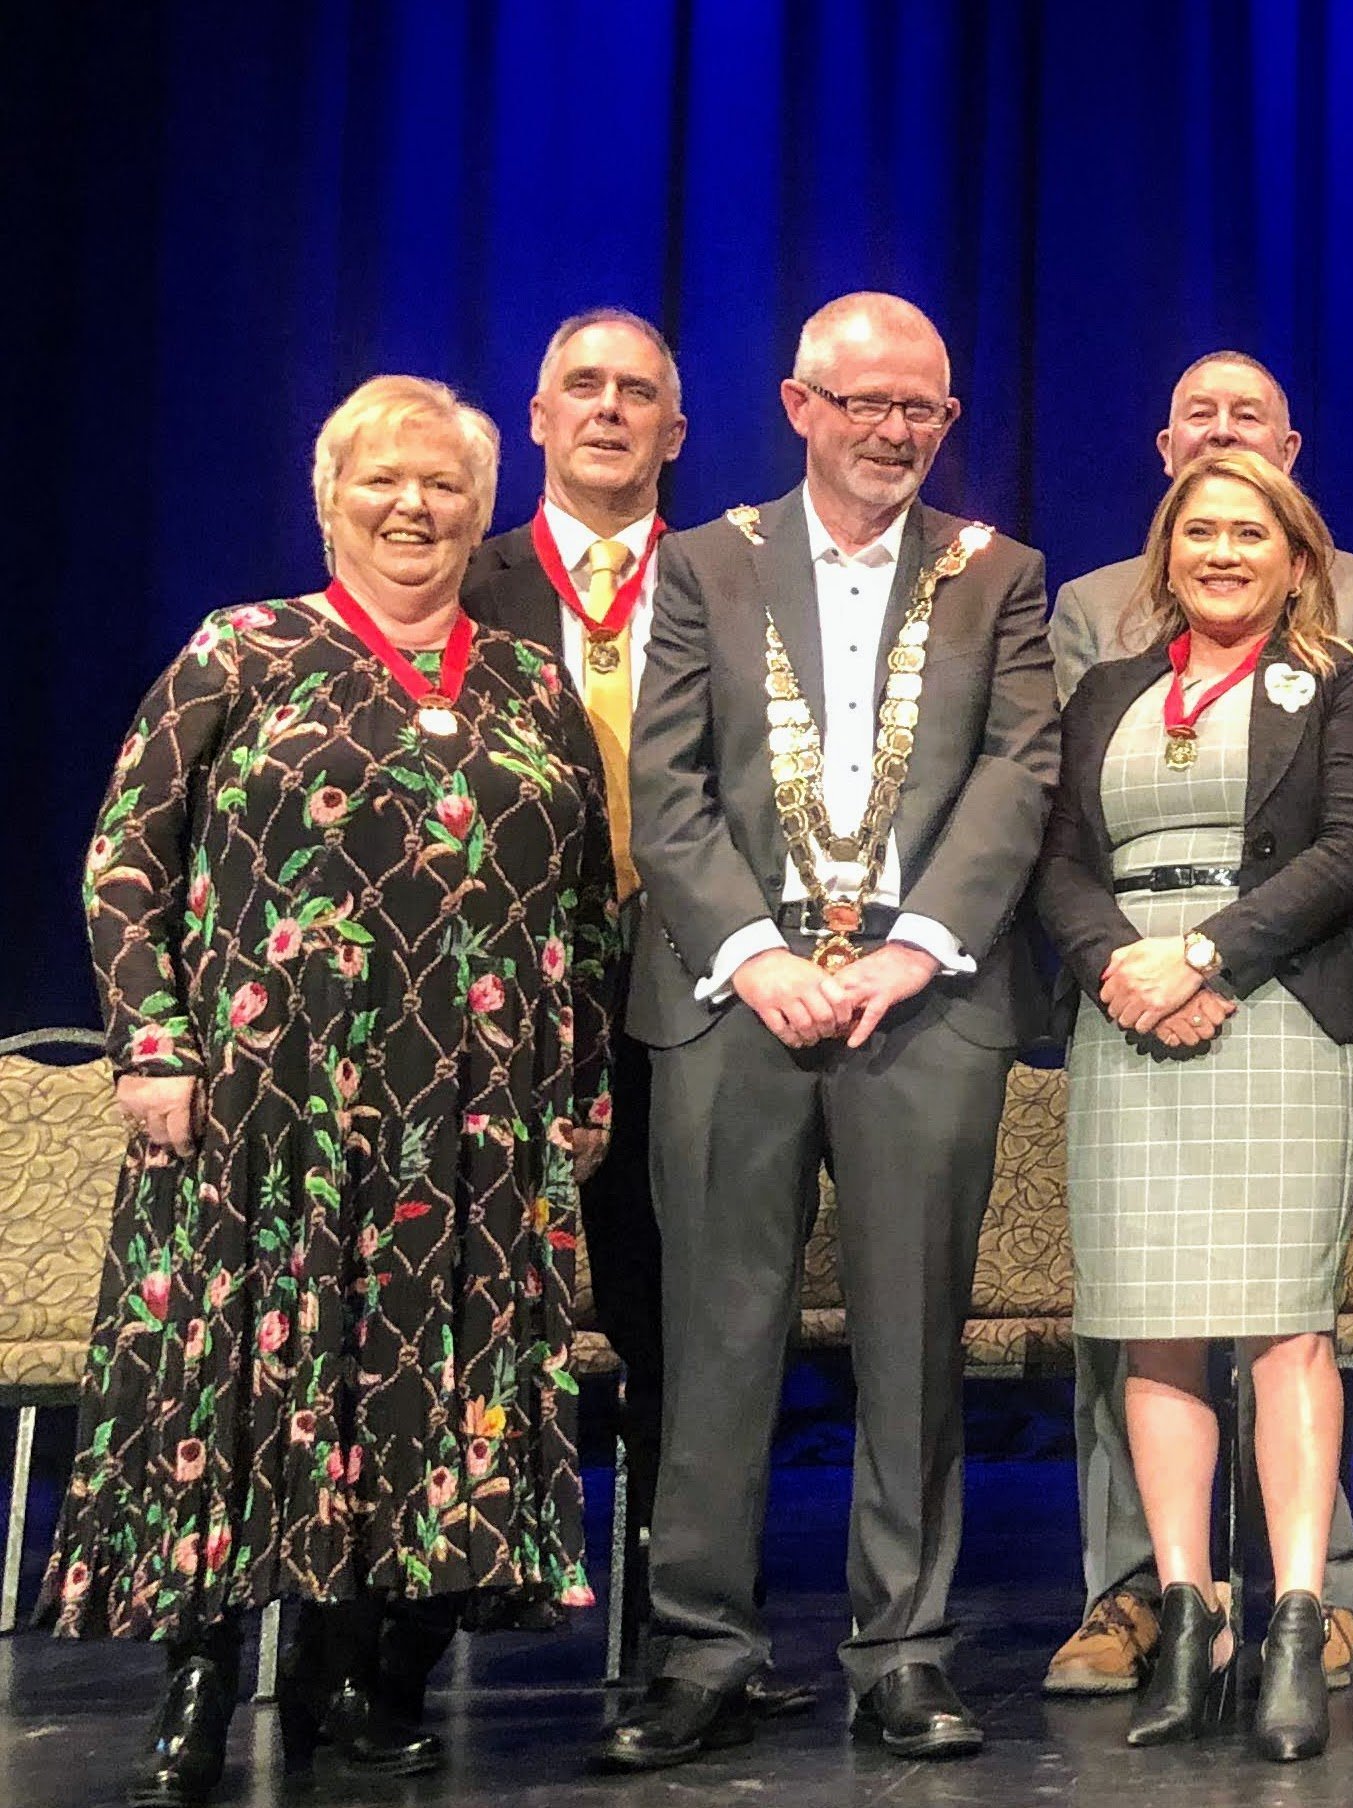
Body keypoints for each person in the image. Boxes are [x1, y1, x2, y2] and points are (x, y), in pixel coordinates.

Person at [64, 375, 614, 1806]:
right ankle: (199, 1683)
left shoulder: (531, 684)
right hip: (264, 1109)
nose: (414, 507)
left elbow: (586, 909)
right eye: (383, 481)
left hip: (473, 1124)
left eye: (442, 485)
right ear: (330, 500)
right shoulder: (241, 652)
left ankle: (363, 1677)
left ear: (479, 509)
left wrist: (581, 1081)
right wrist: (152, 1045)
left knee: (423, 1398)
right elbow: (125, 859)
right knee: (239, 1384)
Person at [599, 293, 1059, 1771]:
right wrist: (752, 953)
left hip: (922, 999)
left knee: (914, 1334)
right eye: (863, 404)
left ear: (947, 422)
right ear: (798, 406)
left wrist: (914, 953)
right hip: (735, 995)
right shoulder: (703, 566)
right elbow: (665, 794)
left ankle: (904, 1647)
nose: (891, 432)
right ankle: (703, 1644)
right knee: (717, 1330)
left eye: (918, 409)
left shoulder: (1002, 577)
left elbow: (1018, 775)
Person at [457, 308, 829, 1722]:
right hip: (497, 1017)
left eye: (640, 396)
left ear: (678, 431)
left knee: (690, 1328)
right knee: (472, 1318)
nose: (609, 411)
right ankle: (411, 1634)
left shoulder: (736, 581)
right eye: (582, 389)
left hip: (694, 991)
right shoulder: (460, 582)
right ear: (538, 418)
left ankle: (687, 1646)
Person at [1042, 349, 1353, 1698]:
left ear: (1297, 551)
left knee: (1285, 1326)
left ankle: (1300, 1625)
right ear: (1165, 548)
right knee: (1152, 1325)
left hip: (1277, 1013)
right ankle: (1182, 1621)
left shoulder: (1349, 681)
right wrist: (1118, 967)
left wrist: (1198, 956)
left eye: (1249, 530)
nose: (1222, 549)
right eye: (1200, 531)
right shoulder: (1104, 684)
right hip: (1124, 1018)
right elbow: (1057, 856)